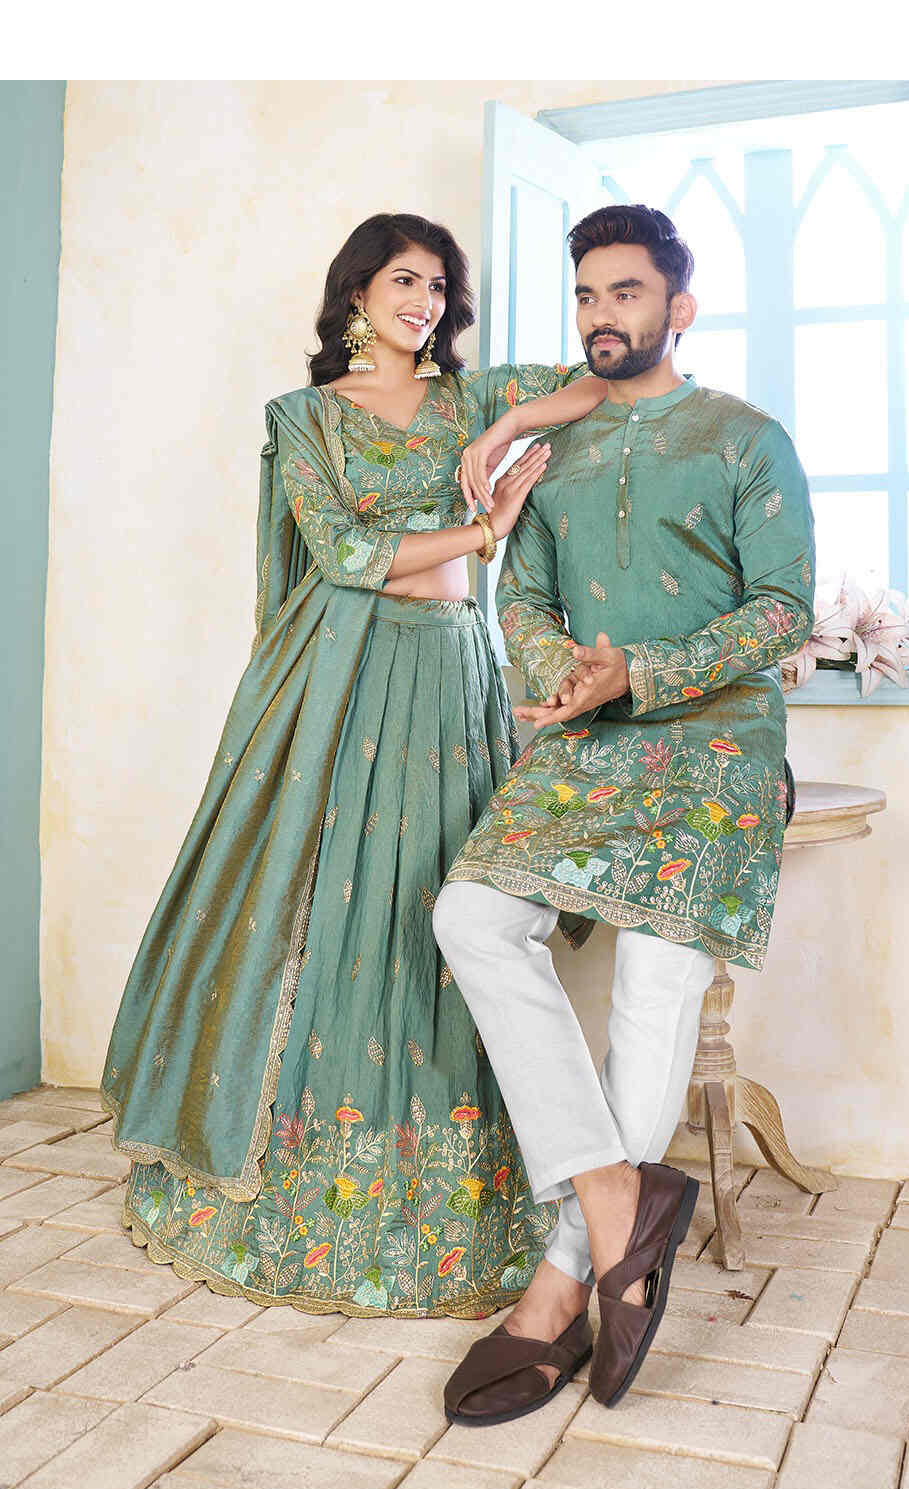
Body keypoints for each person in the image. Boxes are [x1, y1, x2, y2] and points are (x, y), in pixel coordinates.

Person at [100, 212, 607, 1318]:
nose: (424, 302)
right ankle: (302, 1176)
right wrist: (484, 529)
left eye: (439, 286)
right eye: (404, 280)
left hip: (452, 674)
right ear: (357, 294)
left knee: (445, 907)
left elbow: (595, 378)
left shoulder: (467, 401)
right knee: (333, 905)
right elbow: (342, 553)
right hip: (342, 673)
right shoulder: (304, 418)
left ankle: (470, 1188)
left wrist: (507, 422)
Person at [433, 203, 816, 1418]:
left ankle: (560, 1286)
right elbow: (522, 596)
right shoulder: (559, 448)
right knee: (470, 916)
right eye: (588, 295)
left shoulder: (745, 437)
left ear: (678, 307)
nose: (603, 315)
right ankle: (616, 1199)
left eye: (627, 293)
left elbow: (783, 609)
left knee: (654, 974)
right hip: (588, 741)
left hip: (714, 743)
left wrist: (640, 673)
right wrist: (565, 672)